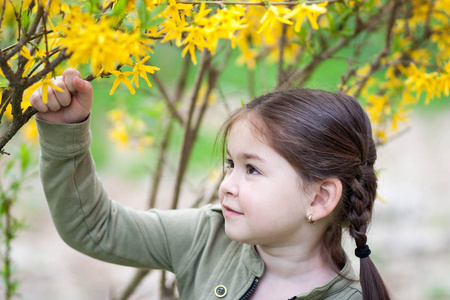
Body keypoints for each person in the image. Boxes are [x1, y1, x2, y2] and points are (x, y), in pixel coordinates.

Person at [31, 68, 391, 300]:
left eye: (252, 170)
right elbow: (96, 227)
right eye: (231, 164)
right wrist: (67, 135)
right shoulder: (206, 238)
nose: (227, 185)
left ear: (320, 197)